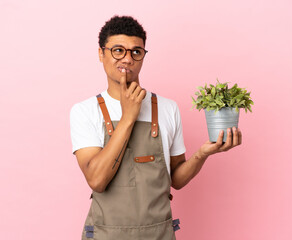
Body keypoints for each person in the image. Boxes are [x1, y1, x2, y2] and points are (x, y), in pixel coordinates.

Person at [70, 15, 242, 240]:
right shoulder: (85, 111)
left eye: (136, 51)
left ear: (143, 56)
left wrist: (202, 154)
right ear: (101, 53)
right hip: (105, 234)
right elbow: (97, 180)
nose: (127, 59)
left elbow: (176, 180)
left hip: (159, 234)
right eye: (118, 50)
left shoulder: (168, 108)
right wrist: (128, 116)